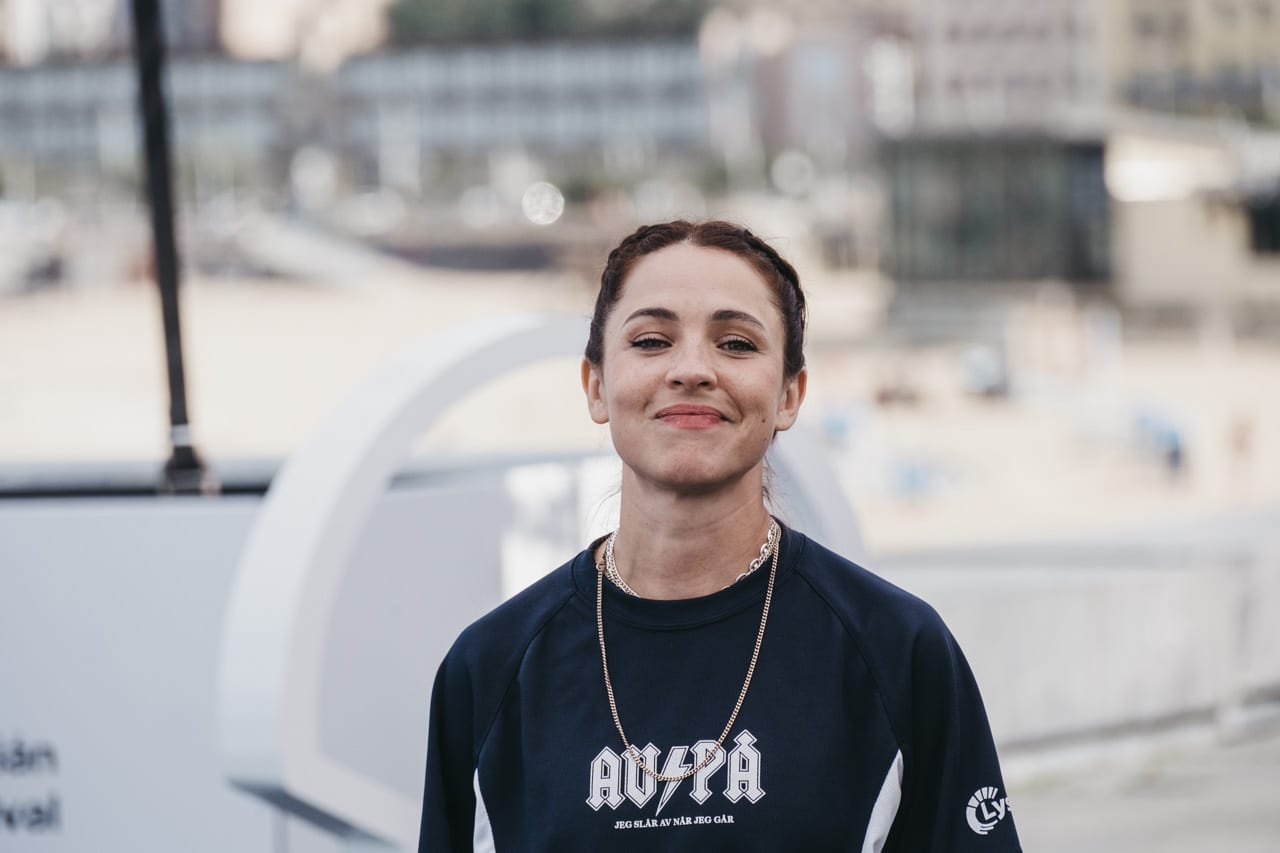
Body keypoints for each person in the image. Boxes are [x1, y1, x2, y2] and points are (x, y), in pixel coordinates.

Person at [418, 220, 1021, 852]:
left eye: (736, 343)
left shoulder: (896, 649)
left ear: (790, 395)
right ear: (596, 386)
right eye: (651, 341)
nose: (692, 370)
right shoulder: (490, 668)